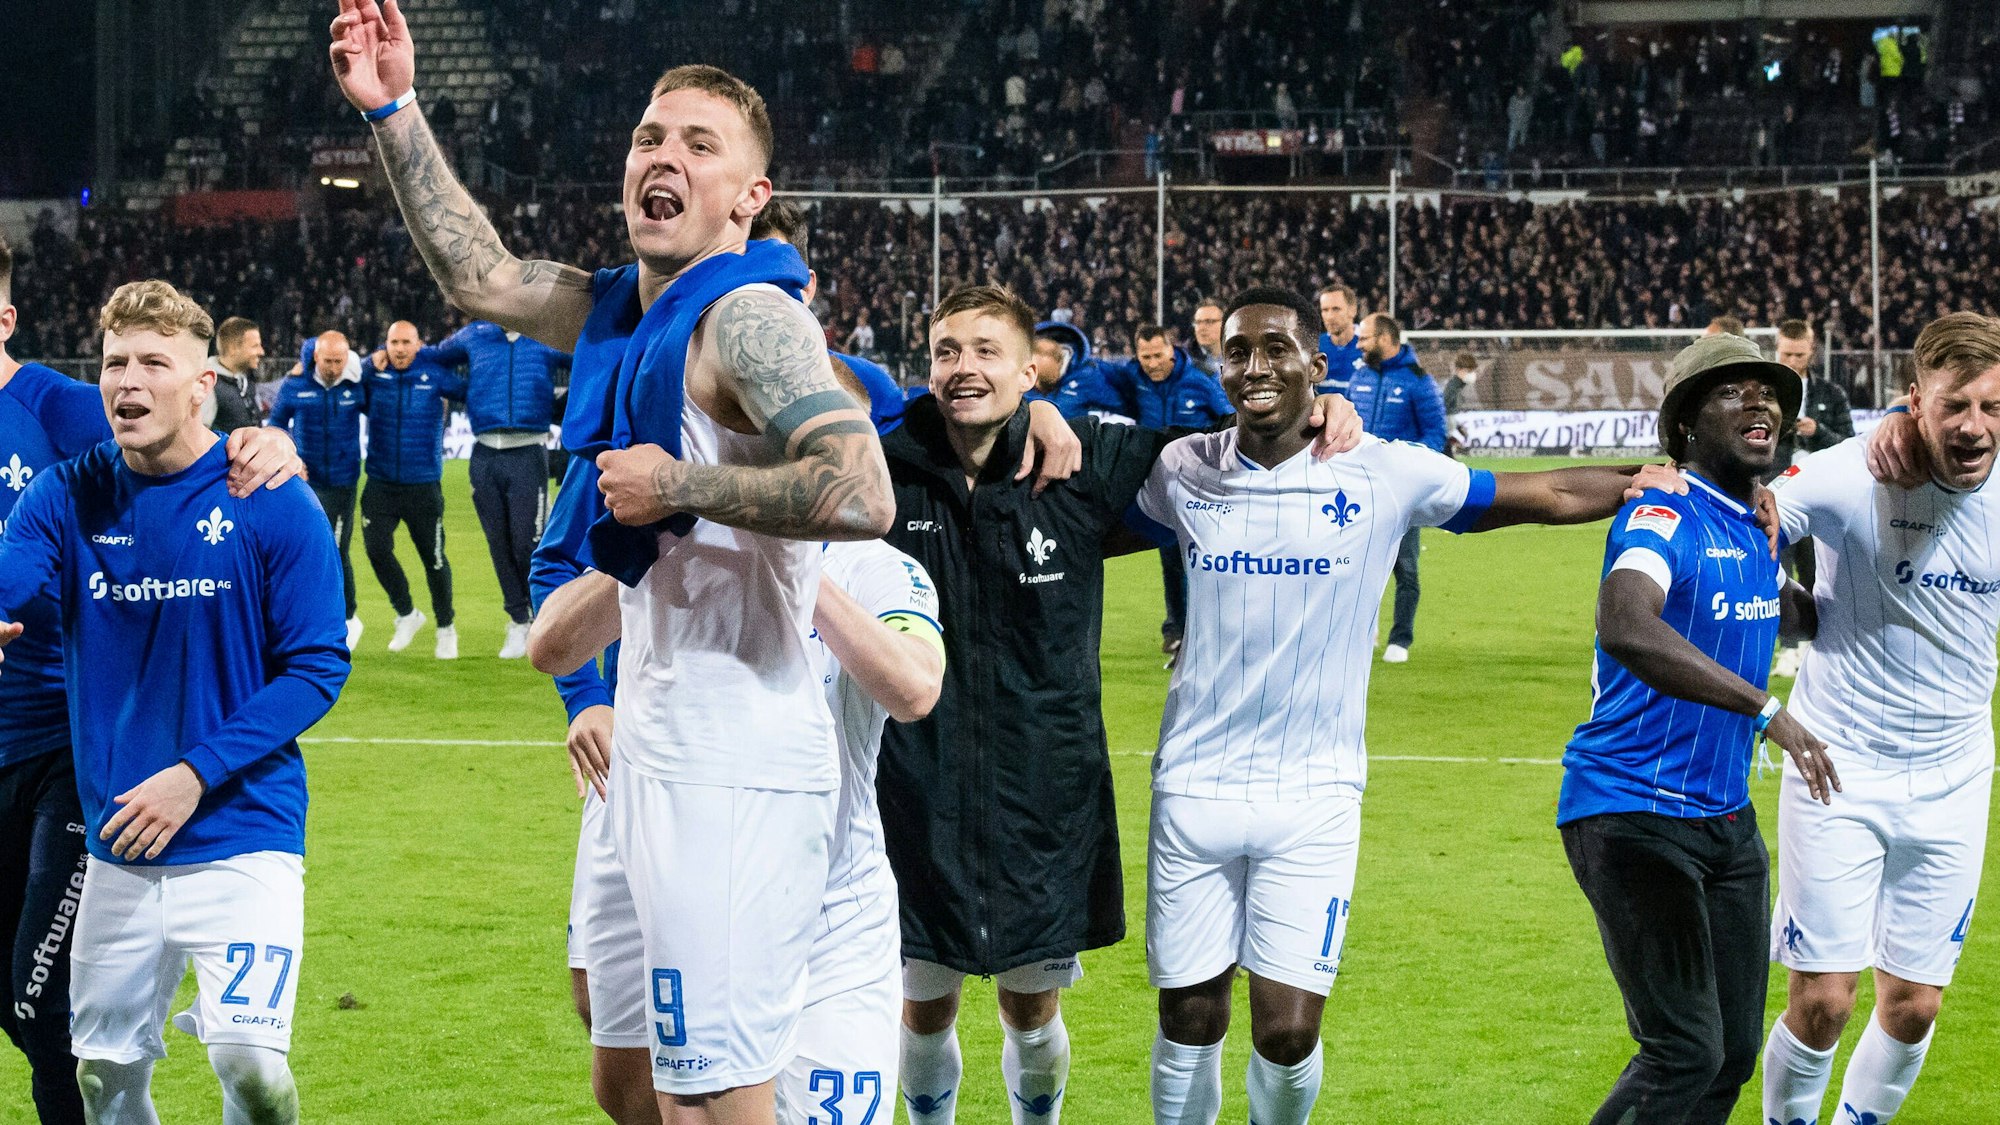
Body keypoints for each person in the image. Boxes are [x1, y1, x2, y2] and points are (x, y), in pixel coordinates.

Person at [331, 7, 896, 1120]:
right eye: (649, 138)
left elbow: (861, 491)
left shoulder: (744, 319)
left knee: (716, 1098)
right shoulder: (614, 308)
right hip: (651, 738)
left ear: (749, 198)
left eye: (697, 145)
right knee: (626, 1078)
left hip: (733, 760)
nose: (662, 158)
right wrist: (394, 110)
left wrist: (680, 486)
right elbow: (480, 275)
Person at [1129, 286, 1694, 1125]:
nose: (1256, 365)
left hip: (1316, 797)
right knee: (1189, 1017)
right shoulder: (1182, 468)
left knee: (1285, 1033)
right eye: (1239, 350)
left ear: (1318, 366)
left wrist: (1644, 482)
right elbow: (1075, 513)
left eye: (1277, 348)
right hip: (1192, 789)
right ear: (1220, 365)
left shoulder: (1382, 470)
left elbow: (1535, 496)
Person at [879, 284, 1359, 1125]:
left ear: (1031, 368)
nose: (964, 369)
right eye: (947, 351)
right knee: (922, 1005)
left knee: (1033, 1011)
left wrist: (1325, 410)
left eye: (987, 351)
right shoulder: (886, 468)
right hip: (915, 790)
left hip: (1042, 795)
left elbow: (1228, 455)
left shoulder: (1086, 465)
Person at [0, 279, 349, 1125]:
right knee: (100, 1077)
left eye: (156, 361)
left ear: (203, 384)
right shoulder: (65, 497)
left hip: (243, 829)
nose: (129, 380)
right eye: (117, 361)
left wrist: (192, 774)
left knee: (252, 1064)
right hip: (121, 839)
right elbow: (10, 586)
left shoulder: (268, 497)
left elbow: (316, 667)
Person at [1560, 333, 1841, 1125]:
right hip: (1632, 810)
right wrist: (1766, 710)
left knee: (1731, 1055)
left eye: (1768, 390)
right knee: (1683, 1048)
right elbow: (1626, 622)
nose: (1760, 401)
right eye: (1731, 391)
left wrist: (1810, 538)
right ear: (1683, 425)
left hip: (1724, 824)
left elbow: (1806, 616)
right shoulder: (1664, 512)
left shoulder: (1755, 529)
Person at [1761, 313, 2000, 1125]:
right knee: (1824, 999)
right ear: (1915, 400)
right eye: (1953, 404)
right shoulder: (1849, 472)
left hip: (1956, 774)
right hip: (1838, 763)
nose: (1974, 426)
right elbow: (1757, 521)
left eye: (1993, 406)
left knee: (1914, 1006)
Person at [424, 317, 570, 658]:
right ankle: (518, 621)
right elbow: (432, 358)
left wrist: (562, 401)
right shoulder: (473, 336)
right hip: (484, 452)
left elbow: (589, 358)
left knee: (527, 543)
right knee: (498, 544)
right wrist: (465, 391)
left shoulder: (546, 333)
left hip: (529, 452)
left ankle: (542, 619)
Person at [1103, 324, 1232, 662]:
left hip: (1202, 486)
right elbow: (1096, 373)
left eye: (1157, 355)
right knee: (1171, 560)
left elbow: (1230, 421)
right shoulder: (1134, 380)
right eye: (1145, 356)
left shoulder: (1199, 382)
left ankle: (1201, 633)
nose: (1152, 363)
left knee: (1202, 562)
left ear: (1171, 350)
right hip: (1160, 484)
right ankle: (1177, 630)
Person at [359, 321, 467, 659]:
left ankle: (446, 628)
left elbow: (470, 389)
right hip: (380, 482)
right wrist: (366, 363)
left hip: (423, 485)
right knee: (376, 550)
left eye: (407, 342)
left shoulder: (434, 374)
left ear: (419, 344)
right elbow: (339, 375)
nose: (400, 349)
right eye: (394, 342)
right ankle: (406, 613)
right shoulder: (372, 373)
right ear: (385, 344)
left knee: (433, 559)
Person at [1349, 313, 1447, 663]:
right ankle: (1361, 632)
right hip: (1358, 489)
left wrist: (1405, 465)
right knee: (1354, 565)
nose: (1358, 344)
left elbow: (1436, 435)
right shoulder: (1359, 376)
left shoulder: (1419, 382)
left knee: (1405, 566)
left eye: (1364, 338)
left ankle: (1400, 640)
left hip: (1400, 491)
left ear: (1386, 339)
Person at [266, 330, 367, 649]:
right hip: (304, 483)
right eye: (328, 361)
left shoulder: (356, 384)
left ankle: (348, 618)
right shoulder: (295, 384)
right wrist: (291, 454)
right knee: (301, 548)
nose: (334, 367)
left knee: (336, 549)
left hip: (342, 481)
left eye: (340, 361)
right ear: (315, 358)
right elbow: (277, 422)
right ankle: (308, 620)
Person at [1770, 318, 1852, 677]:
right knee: (1778, 573)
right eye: (1786, 354)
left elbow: (1850, 446)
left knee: (1817, 575)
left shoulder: (1831, 395)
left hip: (1820, 500)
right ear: (1776, 350)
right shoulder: (1765, 394)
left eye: (1799, 354)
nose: (1792, 361)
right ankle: (1787, 649)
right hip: (1776, 498)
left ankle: (1816, 647)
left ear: (1811, 351)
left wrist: (1818, 431)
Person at [1029, 321, 1125, 418]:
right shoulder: (1023, 379)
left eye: (1041, 379)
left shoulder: (1094, 376)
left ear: (1057, 361)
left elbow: (1123, 412)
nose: (1035, 384)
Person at [203, 316, 265, 431]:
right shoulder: (207, 383)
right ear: (233, 349)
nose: (261, 352)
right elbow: (200, 436)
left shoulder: (246, 381)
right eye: (255, 346)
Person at [1315, 284, 1362, 396]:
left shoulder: (1367, 347)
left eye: (1336, 309)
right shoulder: (1315, 346)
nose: (1329, 316)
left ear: (1353, 311)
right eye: (1325, 310)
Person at [1441, 351, 1479, 454]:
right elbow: (1443, 409)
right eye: (1469, 371)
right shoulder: (1452, 387)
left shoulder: (1458, 386)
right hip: (1443, 433)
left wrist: (1458, 427)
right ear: (1459, 370)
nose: (1472, 374)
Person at [1186, 299, 1224, 376]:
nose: (1201, 328)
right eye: (1198, 322)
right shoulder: (1185, 362)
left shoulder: (1242, 360)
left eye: (1209, 322)